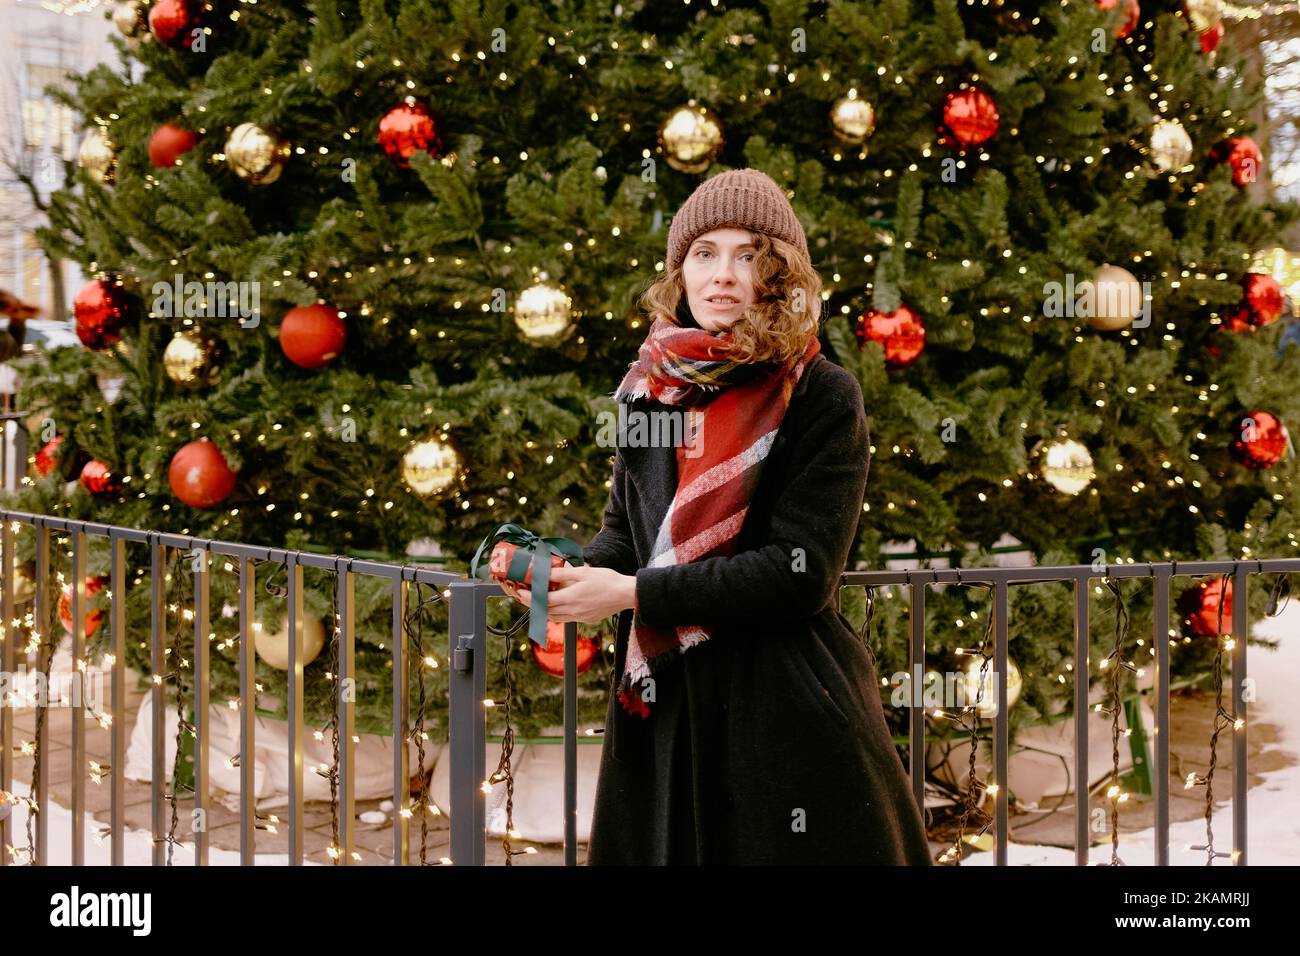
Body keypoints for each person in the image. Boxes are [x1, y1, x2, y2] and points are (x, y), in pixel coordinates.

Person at [511, 168, 934, 865]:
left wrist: (634, 593)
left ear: (779, 272)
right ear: (679, 272)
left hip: (782, 707)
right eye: (704, 253)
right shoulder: (651, 391)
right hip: (662, 706)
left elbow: (799, 575)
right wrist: (567, 577)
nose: (723, 274)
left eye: (748, 254)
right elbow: (628, 533)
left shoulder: (821, 392)